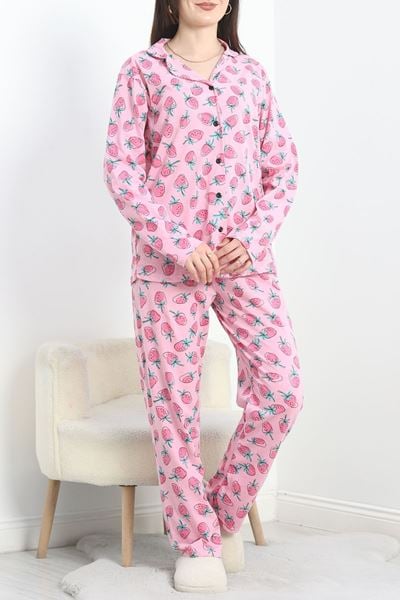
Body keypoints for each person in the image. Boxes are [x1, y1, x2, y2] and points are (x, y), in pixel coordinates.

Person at [103, 0, 304, 593]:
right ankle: (195, 543)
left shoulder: (251, 75)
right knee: (175, 407)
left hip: (244, 262)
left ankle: (218, 516)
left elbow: (282, 170)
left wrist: (253, 237)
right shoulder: (142, 71)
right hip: (168, 269)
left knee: (282, 390)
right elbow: (123, 171)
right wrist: (176, 244)